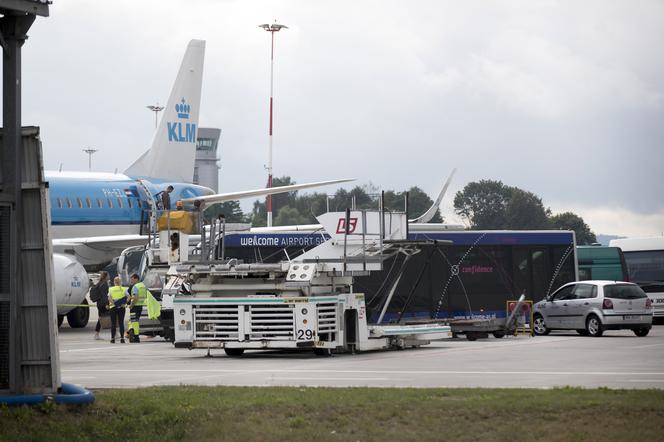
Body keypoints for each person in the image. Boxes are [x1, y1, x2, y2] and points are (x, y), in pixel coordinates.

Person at [127, 273, 148, 343]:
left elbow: (135, 298)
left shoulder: (135, 287)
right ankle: (133, 332)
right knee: (136, 320)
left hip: (135, 306)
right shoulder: (143, 286)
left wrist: (131, 305)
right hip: (140, 306)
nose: (131, 281)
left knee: (134, 321)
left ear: (136, 279)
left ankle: (135, 336)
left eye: (132, 279)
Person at [108, 276, 129, 344]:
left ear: (114, 282)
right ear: (120, 282)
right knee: (121, 323)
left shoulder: (111, 289)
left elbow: (109, 298)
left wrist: (114, 303)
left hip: (113, 307)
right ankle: (122, 338)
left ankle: (112, 339)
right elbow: (129, 297)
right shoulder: (124, 289)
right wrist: (124, 303)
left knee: (113, 323)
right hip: (121, 307)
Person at [92, 271, 110, 340]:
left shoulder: (99, 283)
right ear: (106, 276)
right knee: (110, 317)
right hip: (103, 304)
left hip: (99, 304)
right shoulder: (105, 284)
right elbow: (104, 295)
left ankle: (96, 334)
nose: (109, 276)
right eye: (108, 275)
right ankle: (115, 333)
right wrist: (107, 304)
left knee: (101, 318)